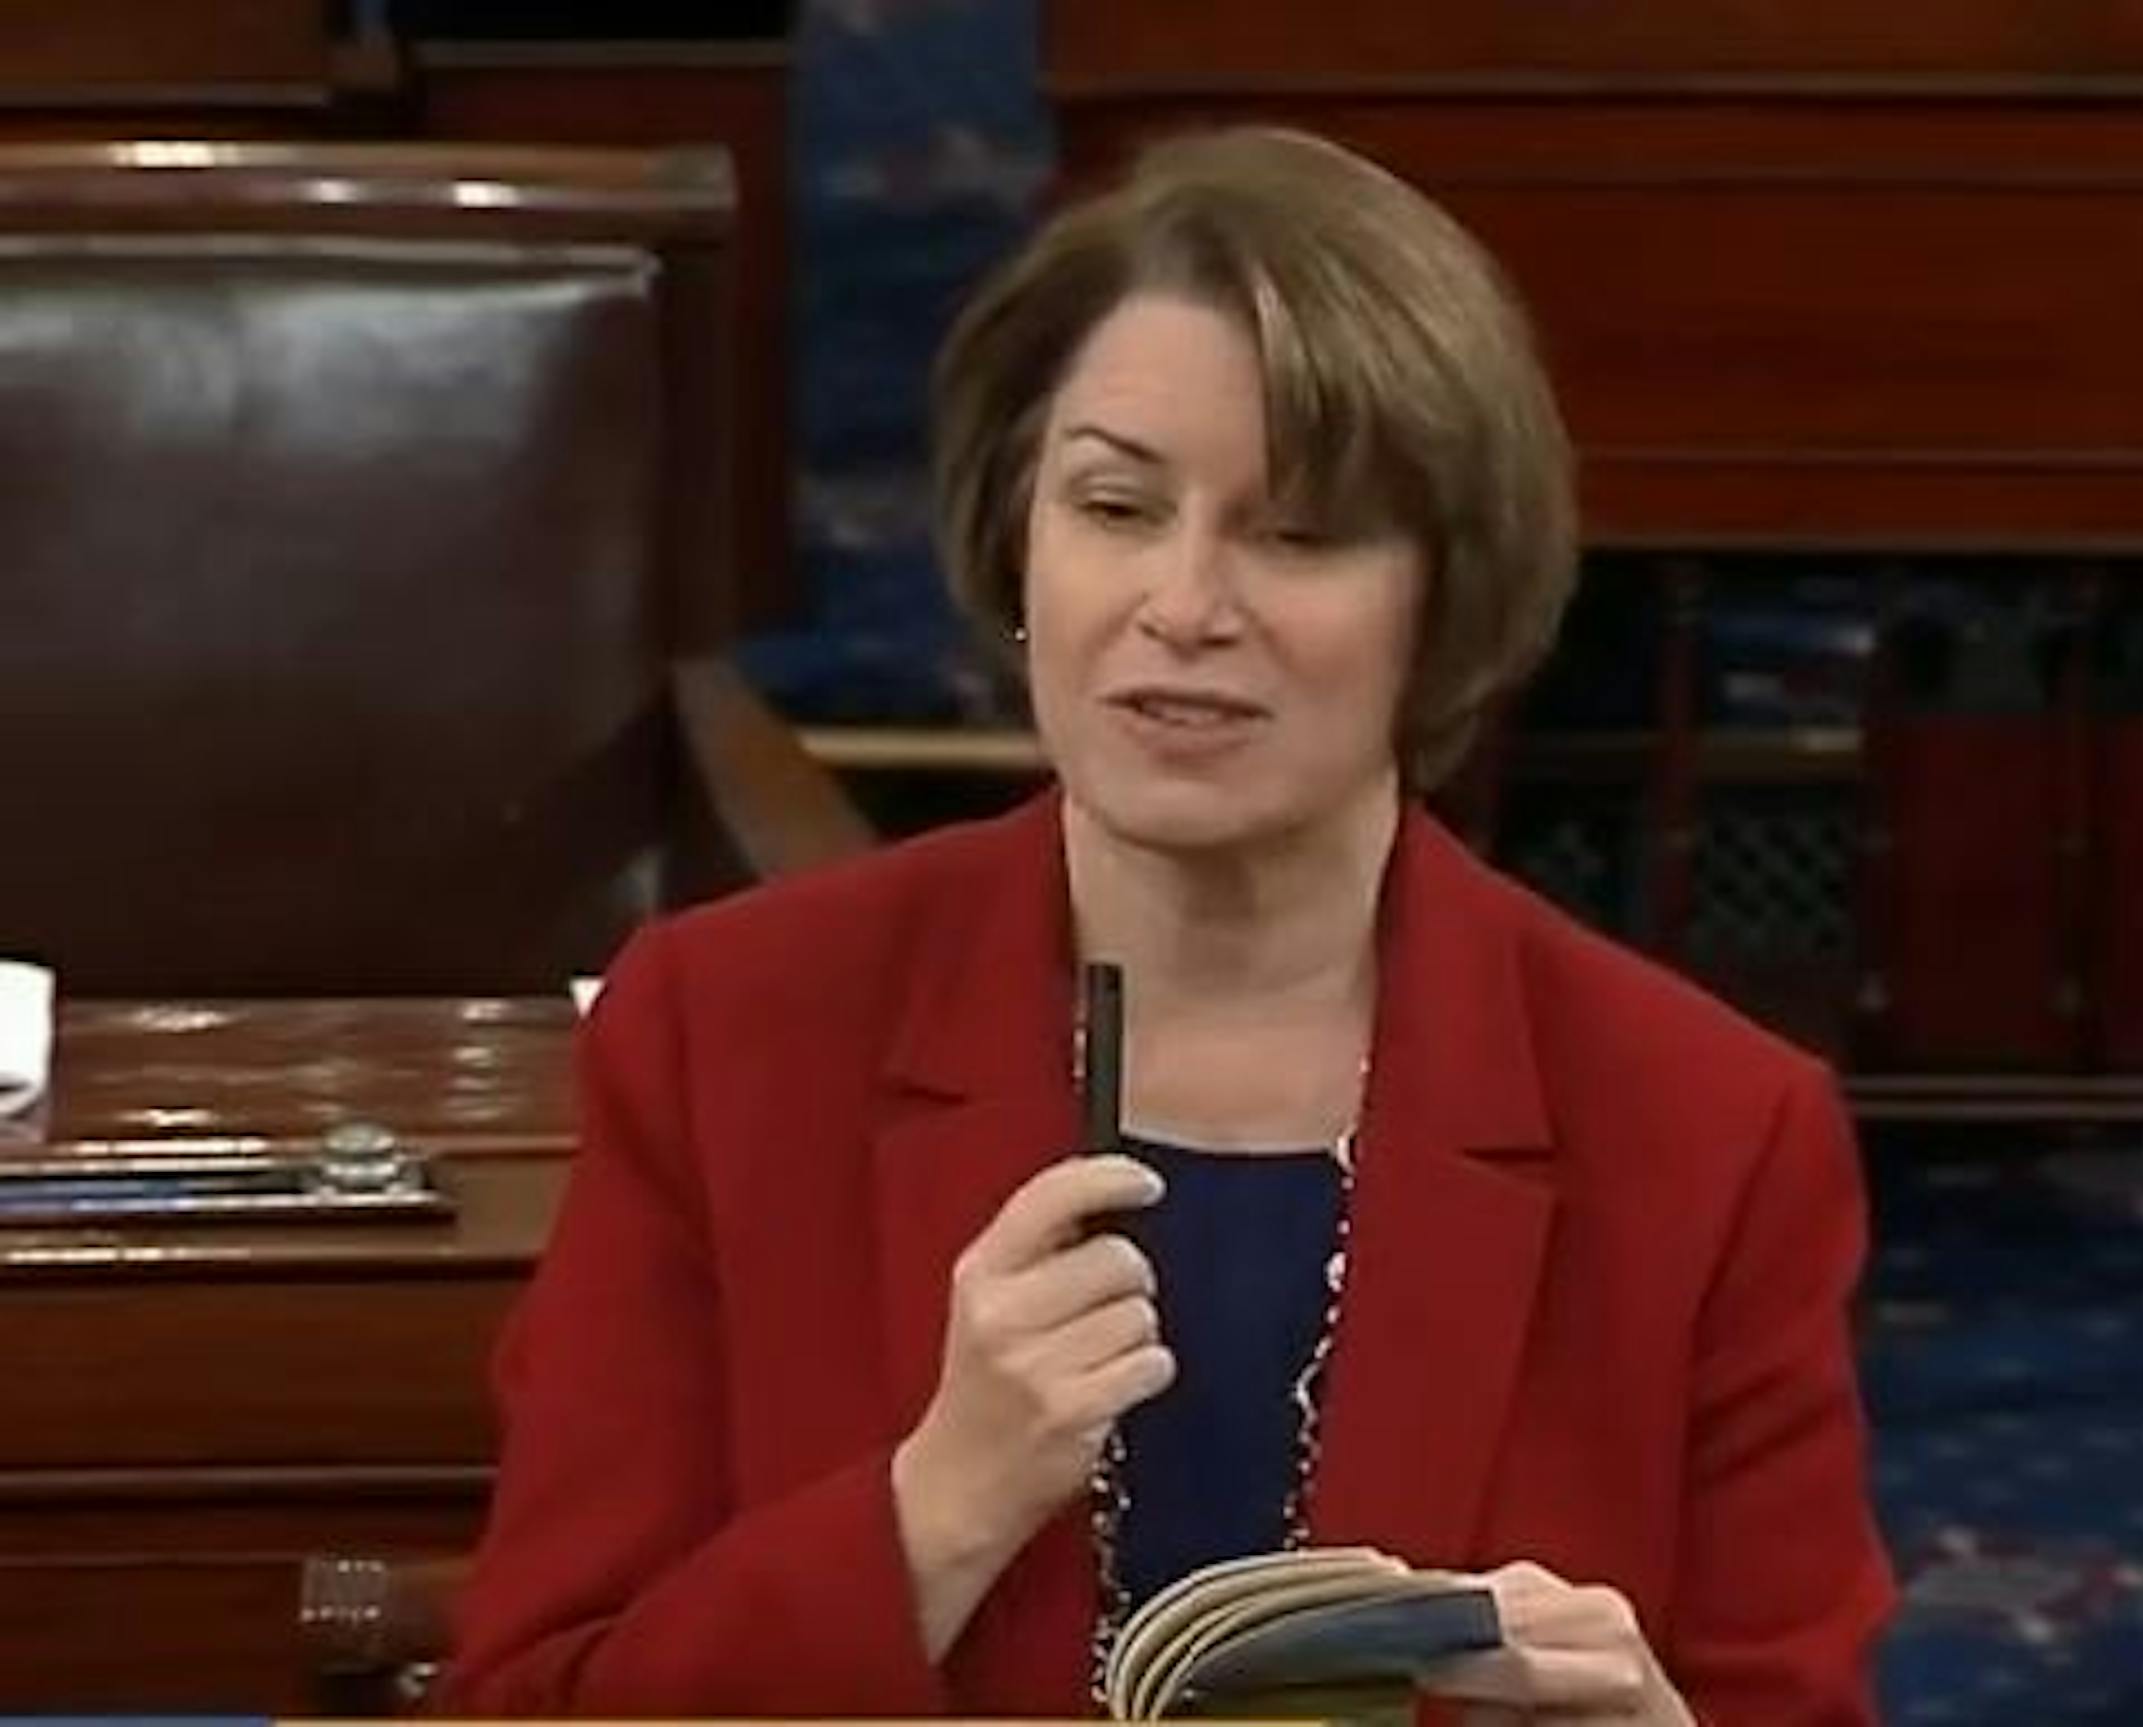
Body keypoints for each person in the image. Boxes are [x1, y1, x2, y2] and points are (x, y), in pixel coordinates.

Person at [442, 127, 1893, 1724]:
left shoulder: (1706, 1133)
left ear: (1446, 600)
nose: (1185, 605)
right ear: (1019, 543)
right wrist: (939, 1504)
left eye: (1297, 534)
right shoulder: (726, 1034)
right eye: (1118, 507)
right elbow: (533, 1704)